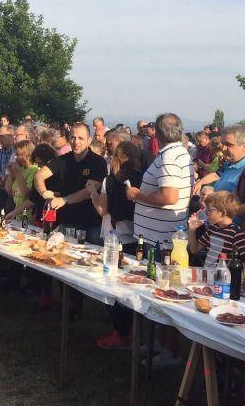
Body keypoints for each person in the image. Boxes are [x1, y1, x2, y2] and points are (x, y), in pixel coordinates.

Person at [92, 140, 145, 350]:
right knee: (132, 285)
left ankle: (120, 332)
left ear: (117, 158)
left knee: (115, 286)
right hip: (137, 236)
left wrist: (92, 193)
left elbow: (102, 210)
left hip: (115, 237)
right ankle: (132, 331)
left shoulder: (110, 180)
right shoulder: (143, 179)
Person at [127, 113, 194, 246]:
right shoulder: (180, 152)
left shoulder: (169, 157)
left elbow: (169, 197)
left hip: (160, 238)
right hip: (164, 234)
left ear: (157, 133)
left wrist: (137, 194)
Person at [44, 123, 107, 244]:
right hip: (68, 221)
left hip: (91, 224)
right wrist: (44, 192)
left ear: (89, 140)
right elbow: (40, 175)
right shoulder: (63, 159)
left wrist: (64, 200)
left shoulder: (98, 162)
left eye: (81, 138)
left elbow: (89, 191)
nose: (76, 141)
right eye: (73, 137)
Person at [187, 191, 245, 267]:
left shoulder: (236, 233)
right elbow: (194, 249)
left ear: (223, 213)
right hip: (208, 274)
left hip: (223, 277)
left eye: (209, 210)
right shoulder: (213, 228)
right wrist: (192, 229)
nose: (206, 213)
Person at [193, 126, 245, 194]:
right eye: (223, 144)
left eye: (228, 145)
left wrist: (213, 196)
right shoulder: (229, 163)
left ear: (244, 146)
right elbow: (216, 175)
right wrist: (200, 182)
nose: (223, 148)